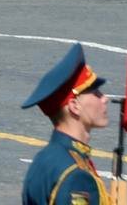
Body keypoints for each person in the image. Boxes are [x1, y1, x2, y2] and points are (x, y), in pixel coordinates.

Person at [19, 43, 113, 205]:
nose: (104, 99)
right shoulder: (76, 175)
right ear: (75, 106)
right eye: (96, 93)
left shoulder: (44, 159)